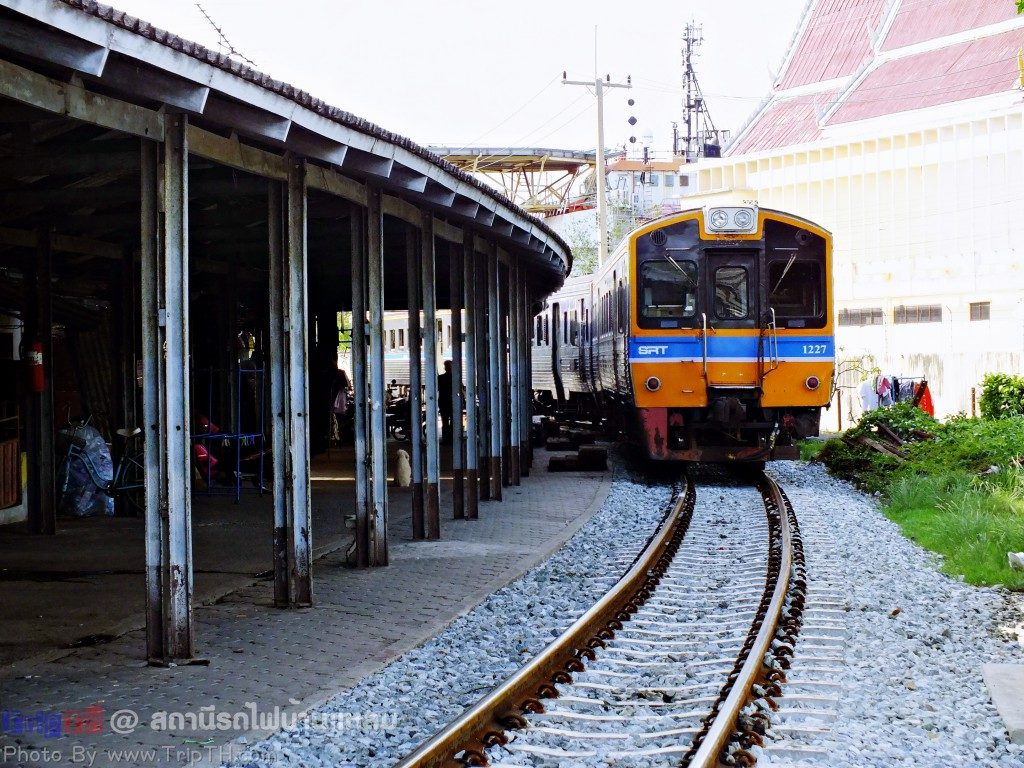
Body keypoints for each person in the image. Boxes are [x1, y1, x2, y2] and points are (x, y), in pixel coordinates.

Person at [330, 365, 351, 444]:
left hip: (336, 402)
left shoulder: (337, 373)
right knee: (339, 419)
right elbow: (348, 385)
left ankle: (337, 436)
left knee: (336, 419)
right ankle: (339, 436)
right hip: (339, 401)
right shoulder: (340, 373)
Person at [438, 360, 454, 444]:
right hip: (452, 402)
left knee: (445, 422)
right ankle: (452, 439)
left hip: (444, 402)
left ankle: (446, 439)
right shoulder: (456, 378)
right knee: (453, 421)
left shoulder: (440, 378)